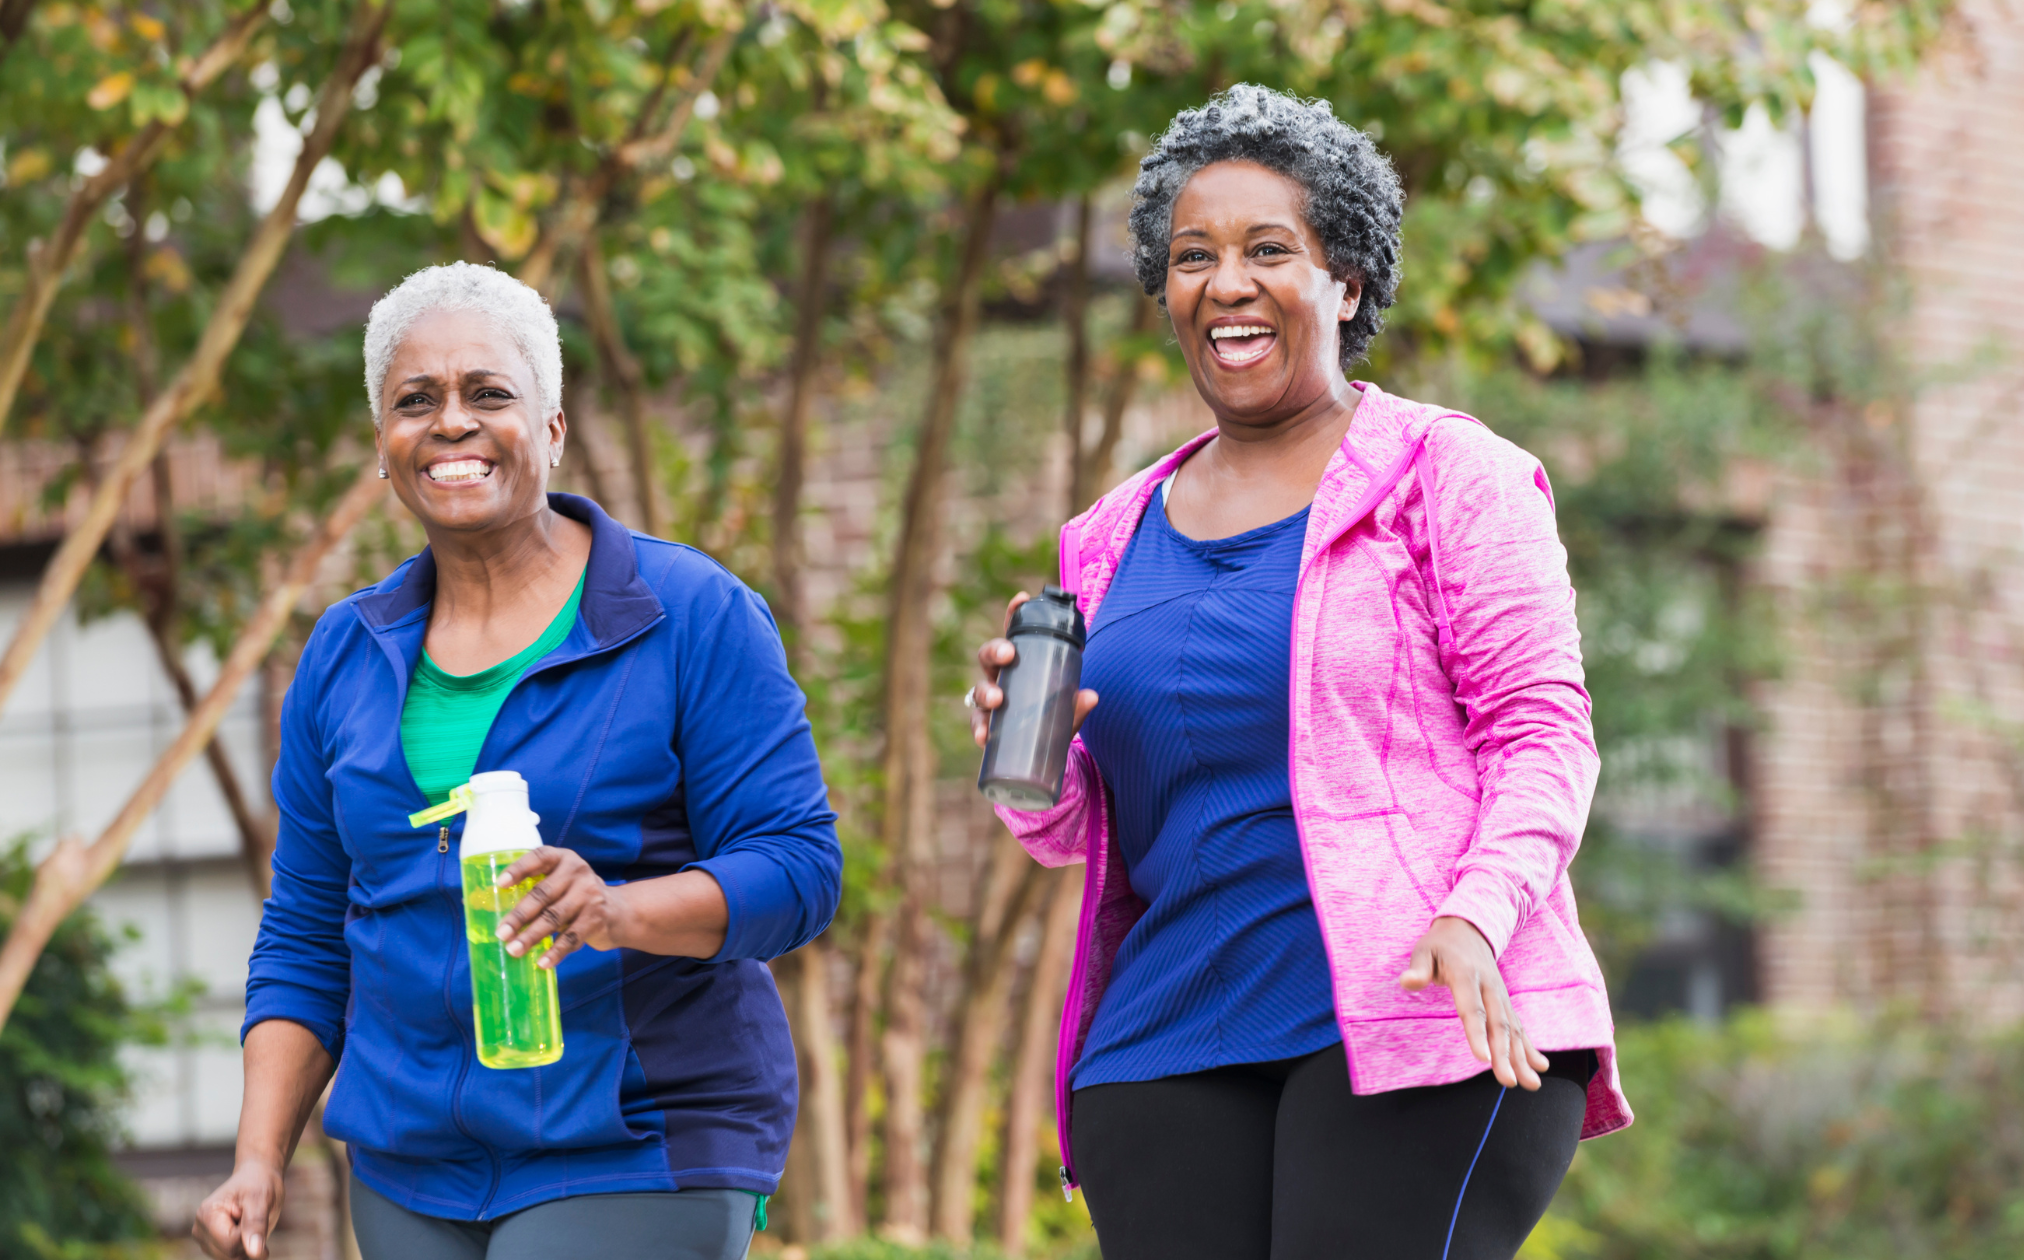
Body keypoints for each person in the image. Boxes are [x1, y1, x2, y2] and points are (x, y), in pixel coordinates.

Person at [968, 87, 1632, 1260]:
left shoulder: (1449, 476)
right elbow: (1094, 830)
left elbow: (1542, 737)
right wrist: (1027, 771)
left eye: (1267, 249)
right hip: (1163, 1038)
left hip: (1419, 1008)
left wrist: (1475, 916)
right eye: (1190, 256)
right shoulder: (1106, 537)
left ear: (1346, 282)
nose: (1225, 282)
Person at [193, 263, 838, 1260]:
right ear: (383, 443)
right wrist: (259, 1156)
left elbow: (798, 870)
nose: (450, 423)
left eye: (488, 393)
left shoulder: (687, 614)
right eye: (416, 401)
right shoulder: (345, 654)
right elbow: (307, 934)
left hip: (636, 1140)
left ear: (550, 428)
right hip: (410, 1168)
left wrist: (619, 911)